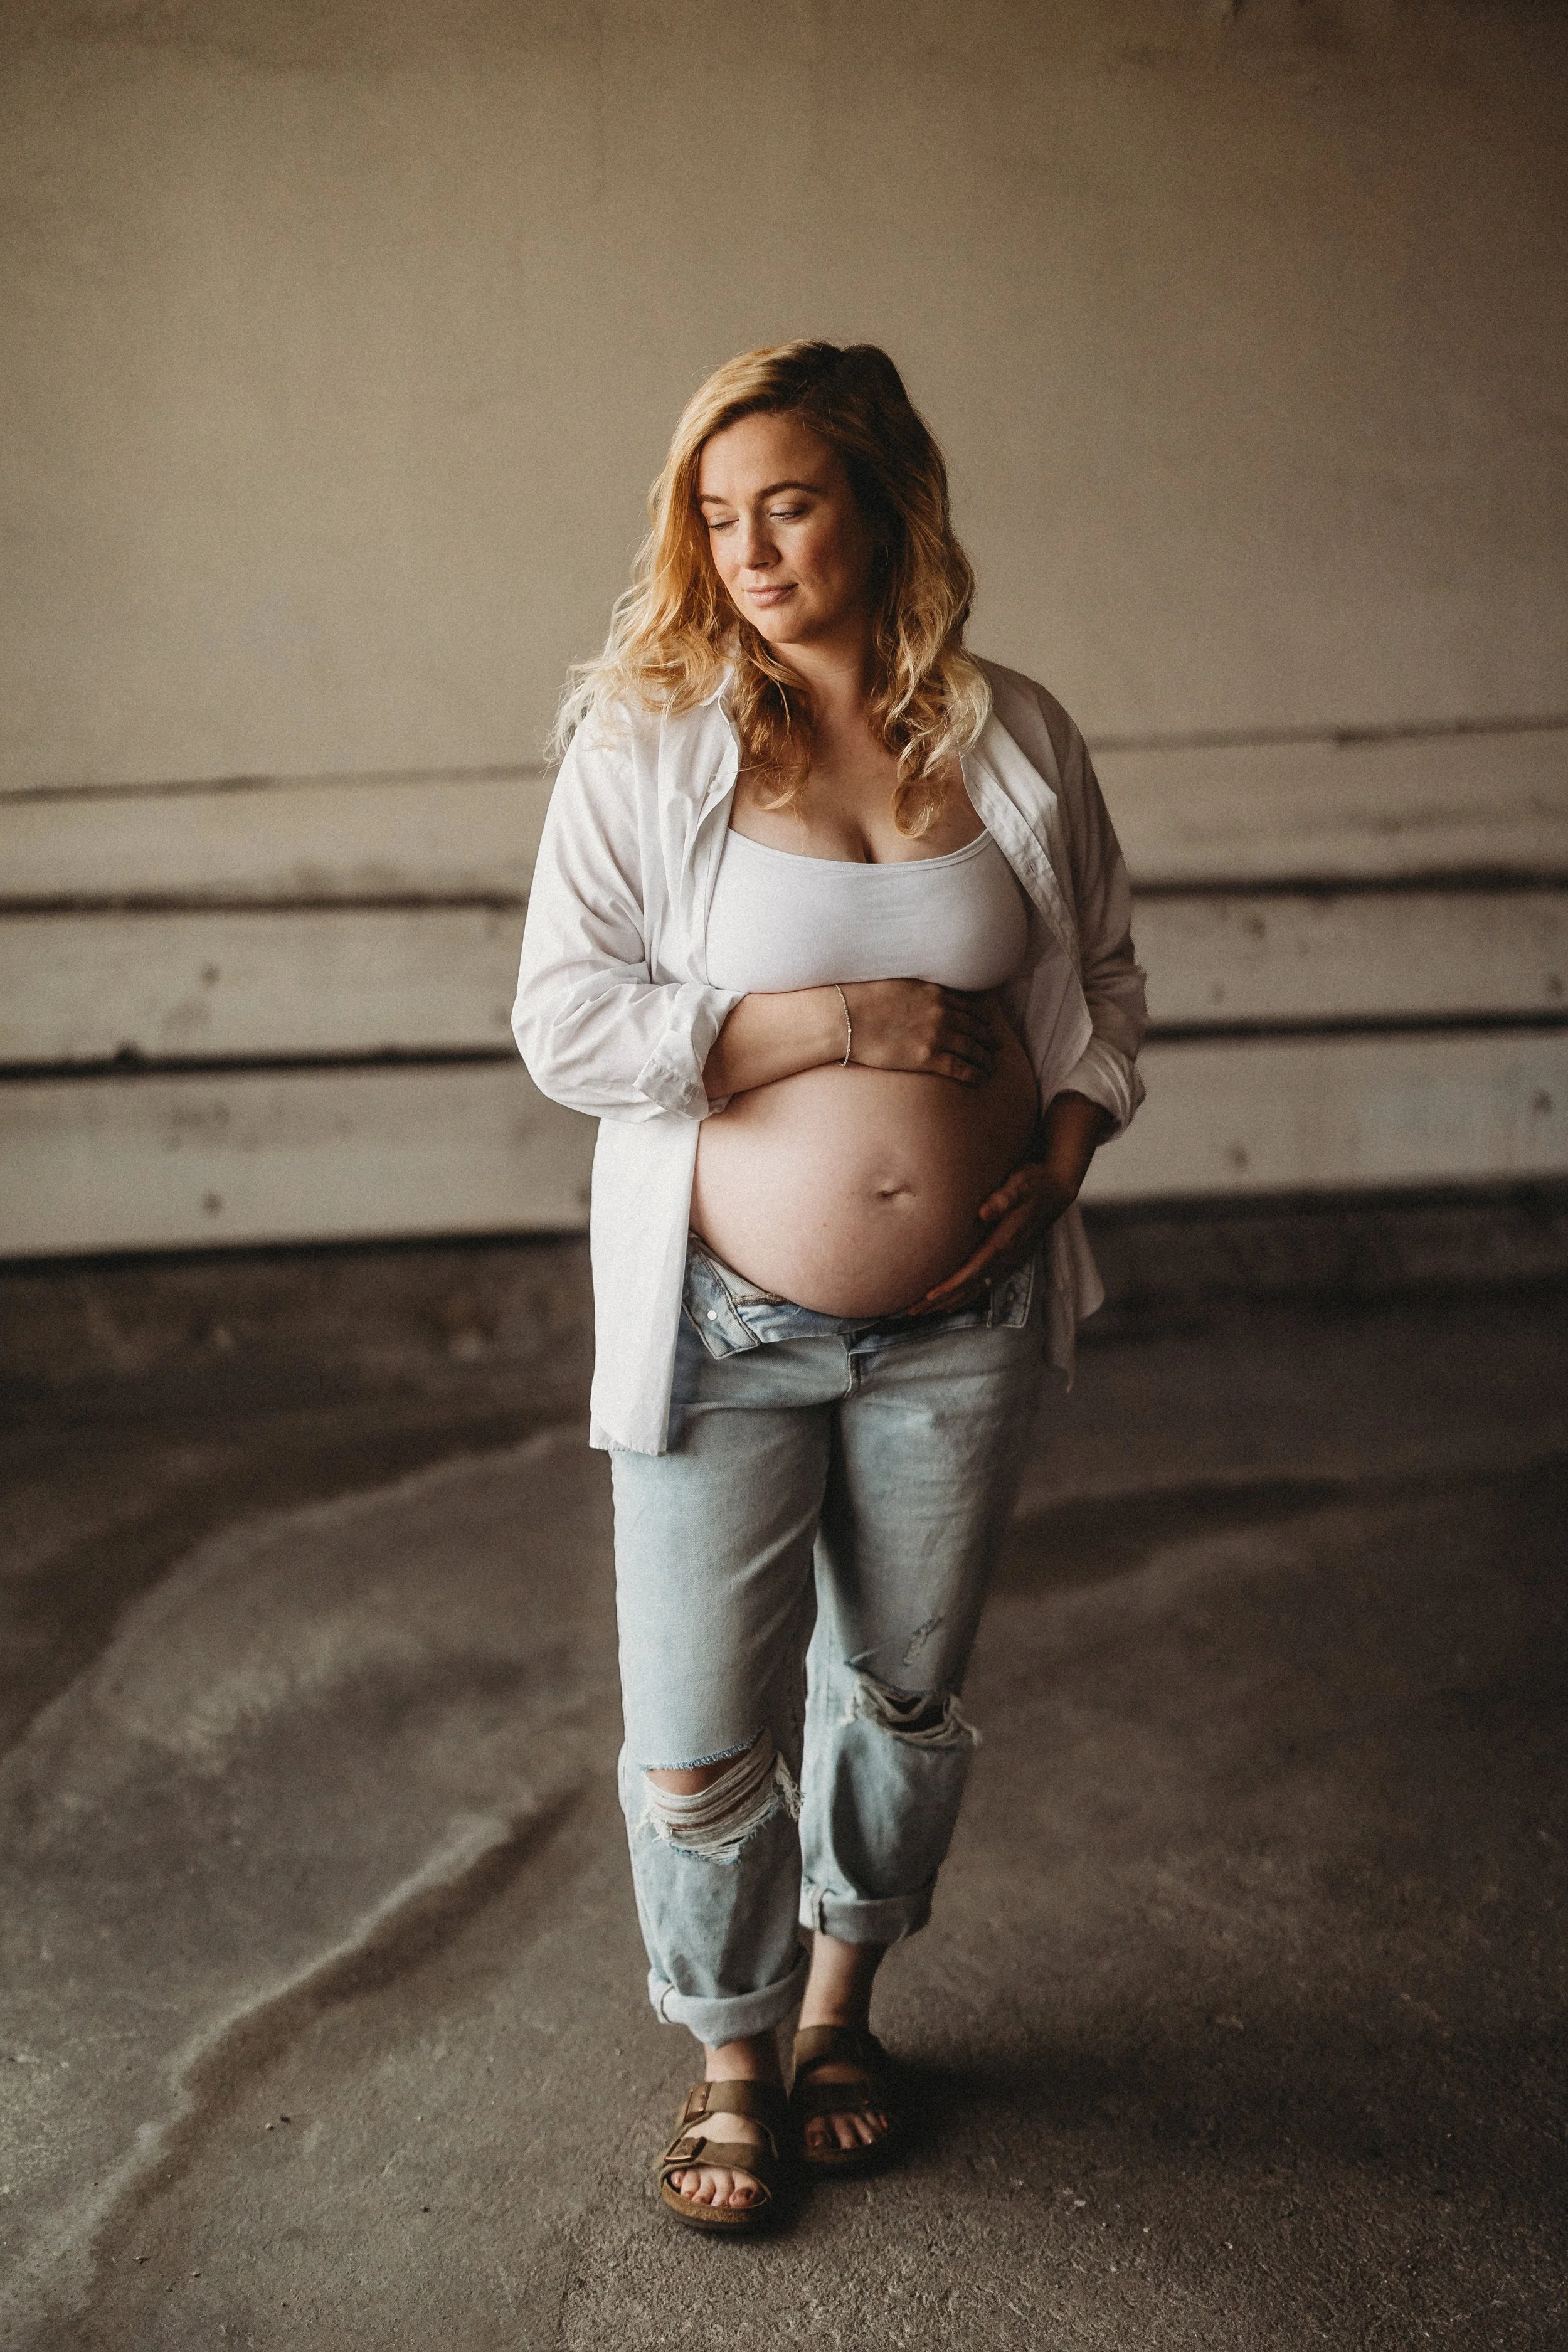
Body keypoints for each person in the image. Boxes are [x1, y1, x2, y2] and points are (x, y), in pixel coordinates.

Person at [514, 340, 1147, 2232]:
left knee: (901, 1692)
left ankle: (842, 2009)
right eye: (717, 514)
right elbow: (561, 1017)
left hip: (960, 1319)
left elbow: (1102, 979)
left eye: (786, 501)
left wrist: (1060, 1147)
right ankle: (729, 2046)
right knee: (703, 1726)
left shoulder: (1016, 734)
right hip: (727, 1322)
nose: (751, 547)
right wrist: (811, 1021)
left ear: (881, 502)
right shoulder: (645, 740)